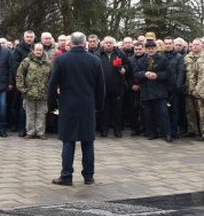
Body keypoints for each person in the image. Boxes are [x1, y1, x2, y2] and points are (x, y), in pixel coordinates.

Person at [48, 32, 105, 186]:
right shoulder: (95, 60)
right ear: (85, 43)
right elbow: (101, 87)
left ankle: (66, 175)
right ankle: (88, 176)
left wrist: (51, 105)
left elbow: (52, 85)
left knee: (68, 141)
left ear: (70, 43)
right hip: (87, 105)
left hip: (68, 105)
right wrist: (99, 105)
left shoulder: (61, 59)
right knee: (88, 141)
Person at [135, 39, 172, 142]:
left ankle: (167, 134)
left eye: (152, 48)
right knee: (148, 114)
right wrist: (144, 74)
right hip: (146, 91)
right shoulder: (141, 61)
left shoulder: (162, 59)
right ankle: (151, 133)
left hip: (159, 92)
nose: (151, 50)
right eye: (148, 49)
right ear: (145, 50)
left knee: (163, 113)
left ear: (156, 49)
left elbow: (168, 74)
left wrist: (157, 76)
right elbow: (136, 74)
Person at [16, 43, 51, 140]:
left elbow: (51, 76)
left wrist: (49, 89)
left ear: (43, 51)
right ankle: (30, 132)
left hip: (43, 92)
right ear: (33, 51)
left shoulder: (48, 63)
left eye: (40, 50)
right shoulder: (26, 61)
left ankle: (40, 132)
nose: (38, 52)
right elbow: (19, 75)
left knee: (41, 112)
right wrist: (22, 89)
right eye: (37, 50)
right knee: (30, 113)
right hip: (29, 92)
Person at [97, 36, 127, 137]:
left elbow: (127, 66)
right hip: (103, 87)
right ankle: (104, 130)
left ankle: (117, 130)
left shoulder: (120, 54)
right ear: (103, 44)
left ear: (114, 44)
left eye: (110, 43)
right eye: (106, 43)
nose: (108, 45)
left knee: (117, 110)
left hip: (117, 86)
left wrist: (123, 70)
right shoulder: (98, 54)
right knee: (104, 109)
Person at [11, 31, 35, 137]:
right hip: (23, 83)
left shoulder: (36, 48)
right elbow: (15, 67)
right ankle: (21, 128)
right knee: (22, 107)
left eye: (31, 37)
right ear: (24, 37)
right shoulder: (18, 49)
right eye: (27, 37)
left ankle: (32, 128)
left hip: (35, 83)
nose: (29, 39)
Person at [183, 38, 203, 138]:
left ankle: (203, 131)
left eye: (197, 44)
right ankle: (192, 130)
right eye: (193, 44)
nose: (195, 46)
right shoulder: (187, 57)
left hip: (201, 89)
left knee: (201, 111)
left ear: (202, 45)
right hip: (188, 88)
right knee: (190, 110)